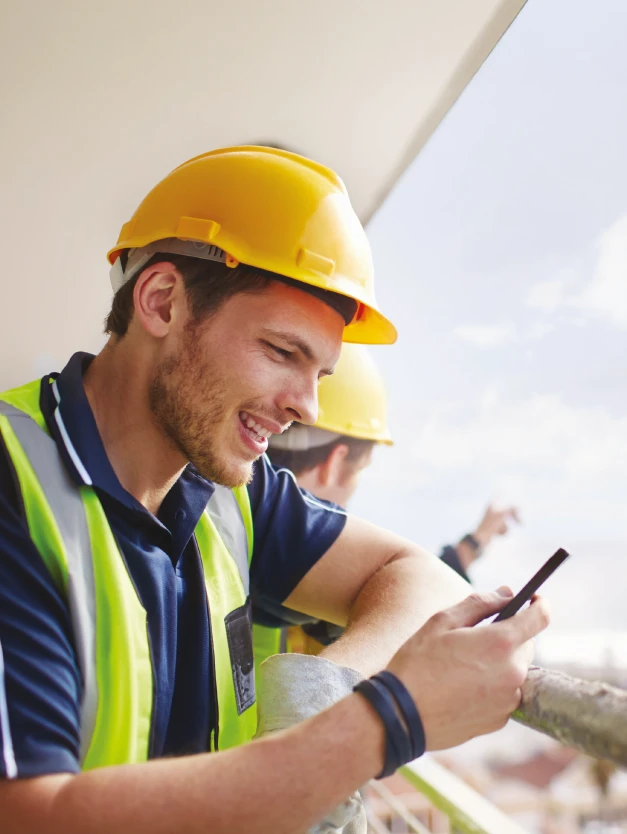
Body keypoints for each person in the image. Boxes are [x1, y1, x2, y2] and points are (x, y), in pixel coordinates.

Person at [0, 145, 548, 834]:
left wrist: (321, 696)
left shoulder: (229, 495)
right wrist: (382, 722)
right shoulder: (13, 479)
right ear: (162, 302)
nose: (307, 409)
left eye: (319, 374)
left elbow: (424, 581)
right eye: (283, 353)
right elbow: (27, 817)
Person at [257, 343, 520, 658]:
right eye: (361, 470)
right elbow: (409, 593)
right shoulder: (290, 563)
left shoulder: (225, 518)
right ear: (336, 463)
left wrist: (474, 543)